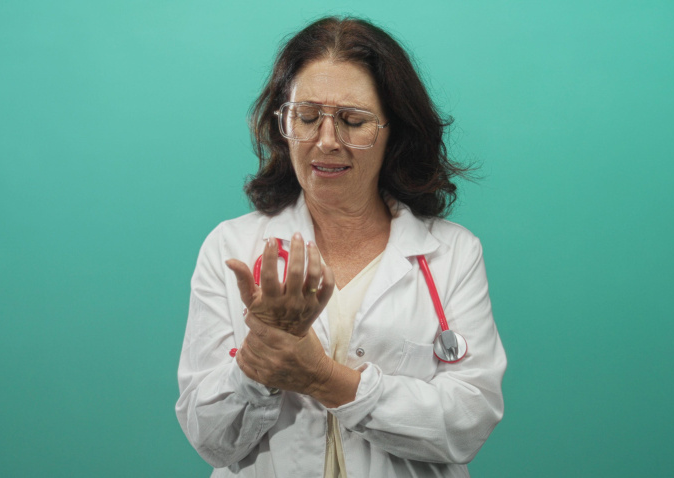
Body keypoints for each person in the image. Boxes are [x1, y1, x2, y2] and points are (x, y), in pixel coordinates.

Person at [176, 16, 506, 478]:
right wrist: (255, 366)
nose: (326, 141)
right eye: (306, 117)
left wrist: (323, 378)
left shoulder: (452, 254)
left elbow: (468, 422)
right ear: (282, 123)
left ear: (396, 131)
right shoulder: (231, 247)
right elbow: (210, 439)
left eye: (353, 121)